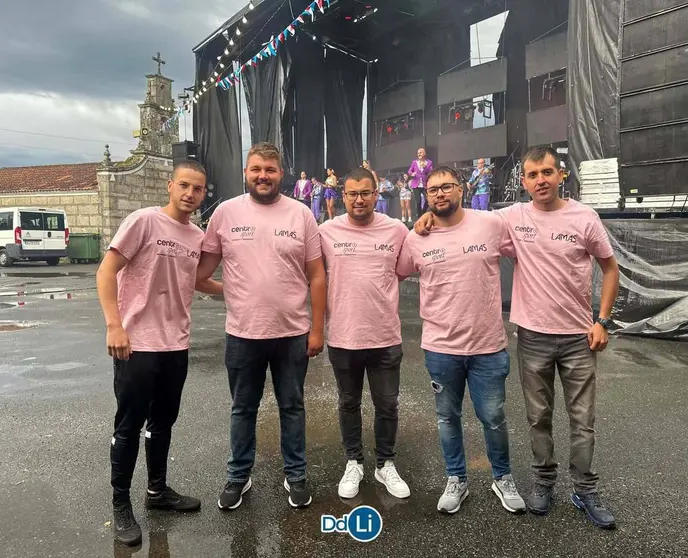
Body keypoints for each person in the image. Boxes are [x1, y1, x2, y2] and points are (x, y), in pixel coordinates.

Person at [413, 147, 620, 529]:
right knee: (537, 417)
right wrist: (429, 217)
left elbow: (610, 267)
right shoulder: (507, 218)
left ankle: (585, 490)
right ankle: (542, 485)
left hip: (578, 336)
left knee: (582, 420)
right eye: (532, 175)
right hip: (532, 336)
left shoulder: (584, 217)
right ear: (522, 182)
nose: (540, 180)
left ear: (561, 175)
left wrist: (602, 321)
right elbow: (459, 220)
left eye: (546, 172)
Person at [96, 160, 221, 547]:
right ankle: (121, 505)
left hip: (175, 344)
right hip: (136, 343)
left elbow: (199, 281)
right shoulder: (143, 221)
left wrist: (243, 289)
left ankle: (157, 491)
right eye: (184, 185)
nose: (190, 194)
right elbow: (106, 270)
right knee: (128, 425)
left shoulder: (196, 236)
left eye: (197, 189)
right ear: (170, 186)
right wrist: (114, 325)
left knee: (162, 422)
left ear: (204, 194)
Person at [196, 142, 326, 511]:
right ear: (245, 173)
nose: (262, 176)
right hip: (243, 334)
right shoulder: (225, 213)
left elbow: (317, 276)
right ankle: (239, 475)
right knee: (242, 408)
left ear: (281, 174)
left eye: (269, 170)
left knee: (292, 406)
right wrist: (234, 293)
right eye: (256, 169)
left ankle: (296, 475)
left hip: (292, 333)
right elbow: (200, 275)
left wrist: (317, 330)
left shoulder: (300, 214)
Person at [396, 165, 525, 515]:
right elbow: (396, 272)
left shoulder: (491, 224)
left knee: (494, 417)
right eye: (433, 189)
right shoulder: (415, 238)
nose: (440, 193)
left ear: (461, 190)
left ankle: (502, 478)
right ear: (426, 195)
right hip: (440, 348)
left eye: (447, 186)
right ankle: (456, 479)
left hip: (488, 346)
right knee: (447, 418)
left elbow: (529, 253)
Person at [319, 166, 411, 501]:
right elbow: (311, 278)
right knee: (348, 403)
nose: (359, 199)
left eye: (365, 193)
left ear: (376, 194)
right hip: (344, 337)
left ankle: (385, 464)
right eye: (352, 193)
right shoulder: (326, 231)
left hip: (386, 336)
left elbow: (403, 270)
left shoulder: (397, 230)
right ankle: (354, 461)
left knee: (387, 404)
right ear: (343, 196)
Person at [407, 147, 433, 221]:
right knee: (418, 201)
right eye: (418, 153)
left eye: (420, 153)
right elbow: (409, 171)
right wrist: (412, 173)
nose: (419, 154)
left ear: (424, 153)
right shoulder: (414, 162)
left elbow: (431, 172)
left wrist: (426, 168)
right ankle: (419, 218)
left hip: (425, 184)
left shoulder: (429, 162)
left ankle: (423, 212)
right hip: (416, 184)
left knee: (428, 200)